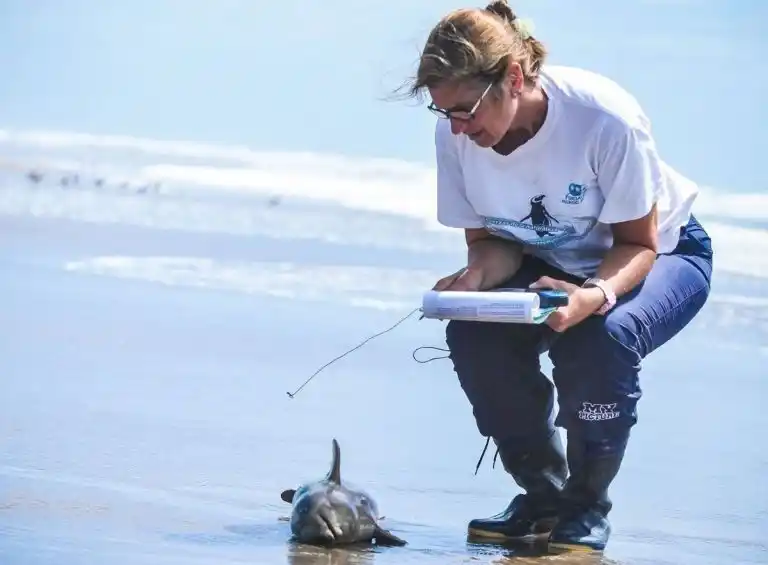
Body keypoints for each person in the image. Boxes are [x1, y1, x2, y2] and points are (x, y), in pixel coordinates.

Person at [400, 0, 714, 554]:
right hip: (550, 259)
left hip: (660, 252)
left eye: (466, 110)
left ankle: (586, 505)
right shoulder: (457, 134)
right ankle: (544, 495)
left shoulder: (603, 118)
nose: (458, 127)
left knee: (598, 338)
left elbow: (639, 243)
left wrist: (594, 294)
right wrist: (476, 278)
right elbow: (493, 244)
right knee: (474, 333)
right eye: (444, 113)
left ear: (513, 78)